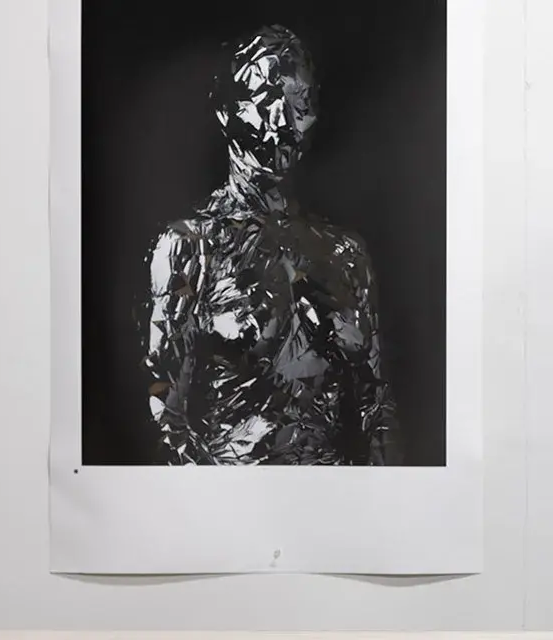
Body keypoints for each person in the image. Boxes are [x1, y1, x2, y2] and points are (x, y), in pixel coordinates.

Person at [142, 24, 400, 466]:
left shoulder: (345, 255)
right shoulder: (189, 246)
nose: (282, 122)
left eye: (298, 103)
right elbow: (164, 415)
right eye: (263, 101)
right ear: (225, 113)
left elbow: (378, 408)